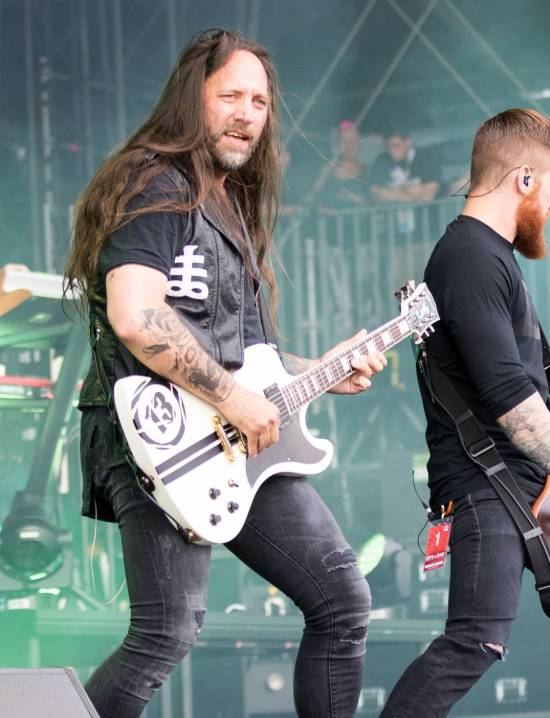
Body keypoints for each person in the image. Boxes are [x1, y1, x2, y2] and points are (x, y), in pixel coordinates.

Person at [62, 29, 386, 718]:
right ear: (192, 99)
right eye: (229, 95)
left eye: (260, 101)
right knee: (165, 634)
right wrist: (235, 398)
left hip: (231, 439)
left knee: (340, 599)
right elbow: (135, 315)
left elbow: (233, 352)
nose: (246, 113)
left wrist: (321, 370)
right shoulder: (156, 180)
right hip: (160, 435)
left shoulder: (226, 201)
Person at [383, 108, 550, 717]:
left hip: (522, 481)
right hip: (489, 486)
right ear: (524, 179)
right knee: (474, 640)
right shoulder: (470, 258)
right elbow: (508, 400)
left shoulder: (490, 258)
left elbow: (499, 375)